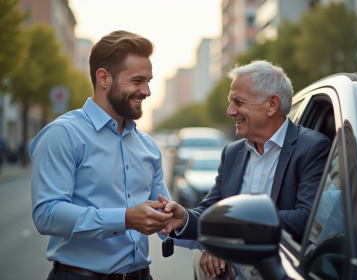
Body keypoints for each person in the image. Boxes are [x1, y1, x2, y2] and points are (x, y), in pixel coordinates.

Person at [30, 30, 200, 280]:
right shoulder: (63, 134)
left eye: (149, 81)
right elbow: (47, 214)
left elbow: (162, 215)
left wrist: (179, 220)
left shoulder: (148, 146)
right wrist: (125, 218)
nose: (147, 91)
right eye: (137, 80)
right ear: (103, 78)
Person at [160, 61, 332, 279]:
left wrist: (230, 231)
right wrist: (184, 218)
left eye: (238, 102)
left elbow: (307, 219)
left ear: (272, 104)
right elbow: (212, 211)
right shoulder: (232, 153)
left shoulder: (312, 148)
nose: (230, 111)